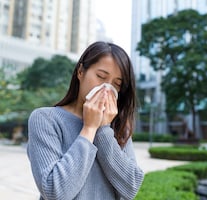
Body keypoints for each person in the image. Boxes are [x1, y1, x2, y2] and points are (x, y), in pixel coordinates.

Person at [27, 41, 144, 200]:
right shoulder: (46, 119)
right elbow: (55, 192)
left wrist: (103, 130)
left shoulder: (119, 127)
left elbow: (131, 187)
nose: (106, 89)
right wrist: (89, 128)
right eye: (101, 76)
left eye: (116, 84)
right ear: (81, 72)